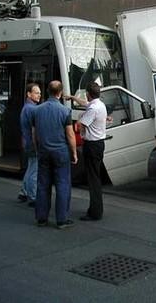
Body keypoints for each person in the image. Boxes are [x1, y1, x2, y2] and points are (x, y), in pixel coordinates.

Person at [33, 81, 77, 229]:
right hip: (60, 152)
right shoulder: (65, 111)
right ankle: (62, 220)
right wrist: (74, 153)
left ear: (47, 91)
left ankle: (41, 218)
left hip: (44, 151)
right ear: (60, 93)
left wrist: (37, 148)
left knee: (43, 184)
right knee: (62, 184)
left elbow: (35, 133)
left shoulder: (37, 110)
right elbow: (70, 135)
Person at [66, 82, 107, 221]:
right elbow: (85, 103)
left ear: (89, 94)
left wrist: (79, 119)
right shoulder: (100, 105)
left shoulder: (93, 109)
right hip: (99, 143)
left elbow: (79, 126)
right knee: (95, 176)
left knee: (93, 179)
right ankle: (95, 209)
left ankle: (95, 212)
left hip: (92, 145)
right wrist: (73, 98)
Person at [18, 83, 41, 207]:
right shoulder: (33, 109)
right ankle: (33, 197)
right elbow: (35, 130)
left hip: (27, 142)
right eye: (36, 92)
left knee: (30, 167)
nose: (39, 95)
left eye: (39, 93)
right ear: (29, 94)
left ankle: (24, 192)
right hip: (33, 144)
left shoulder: (26, 107)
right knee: (34, 171)